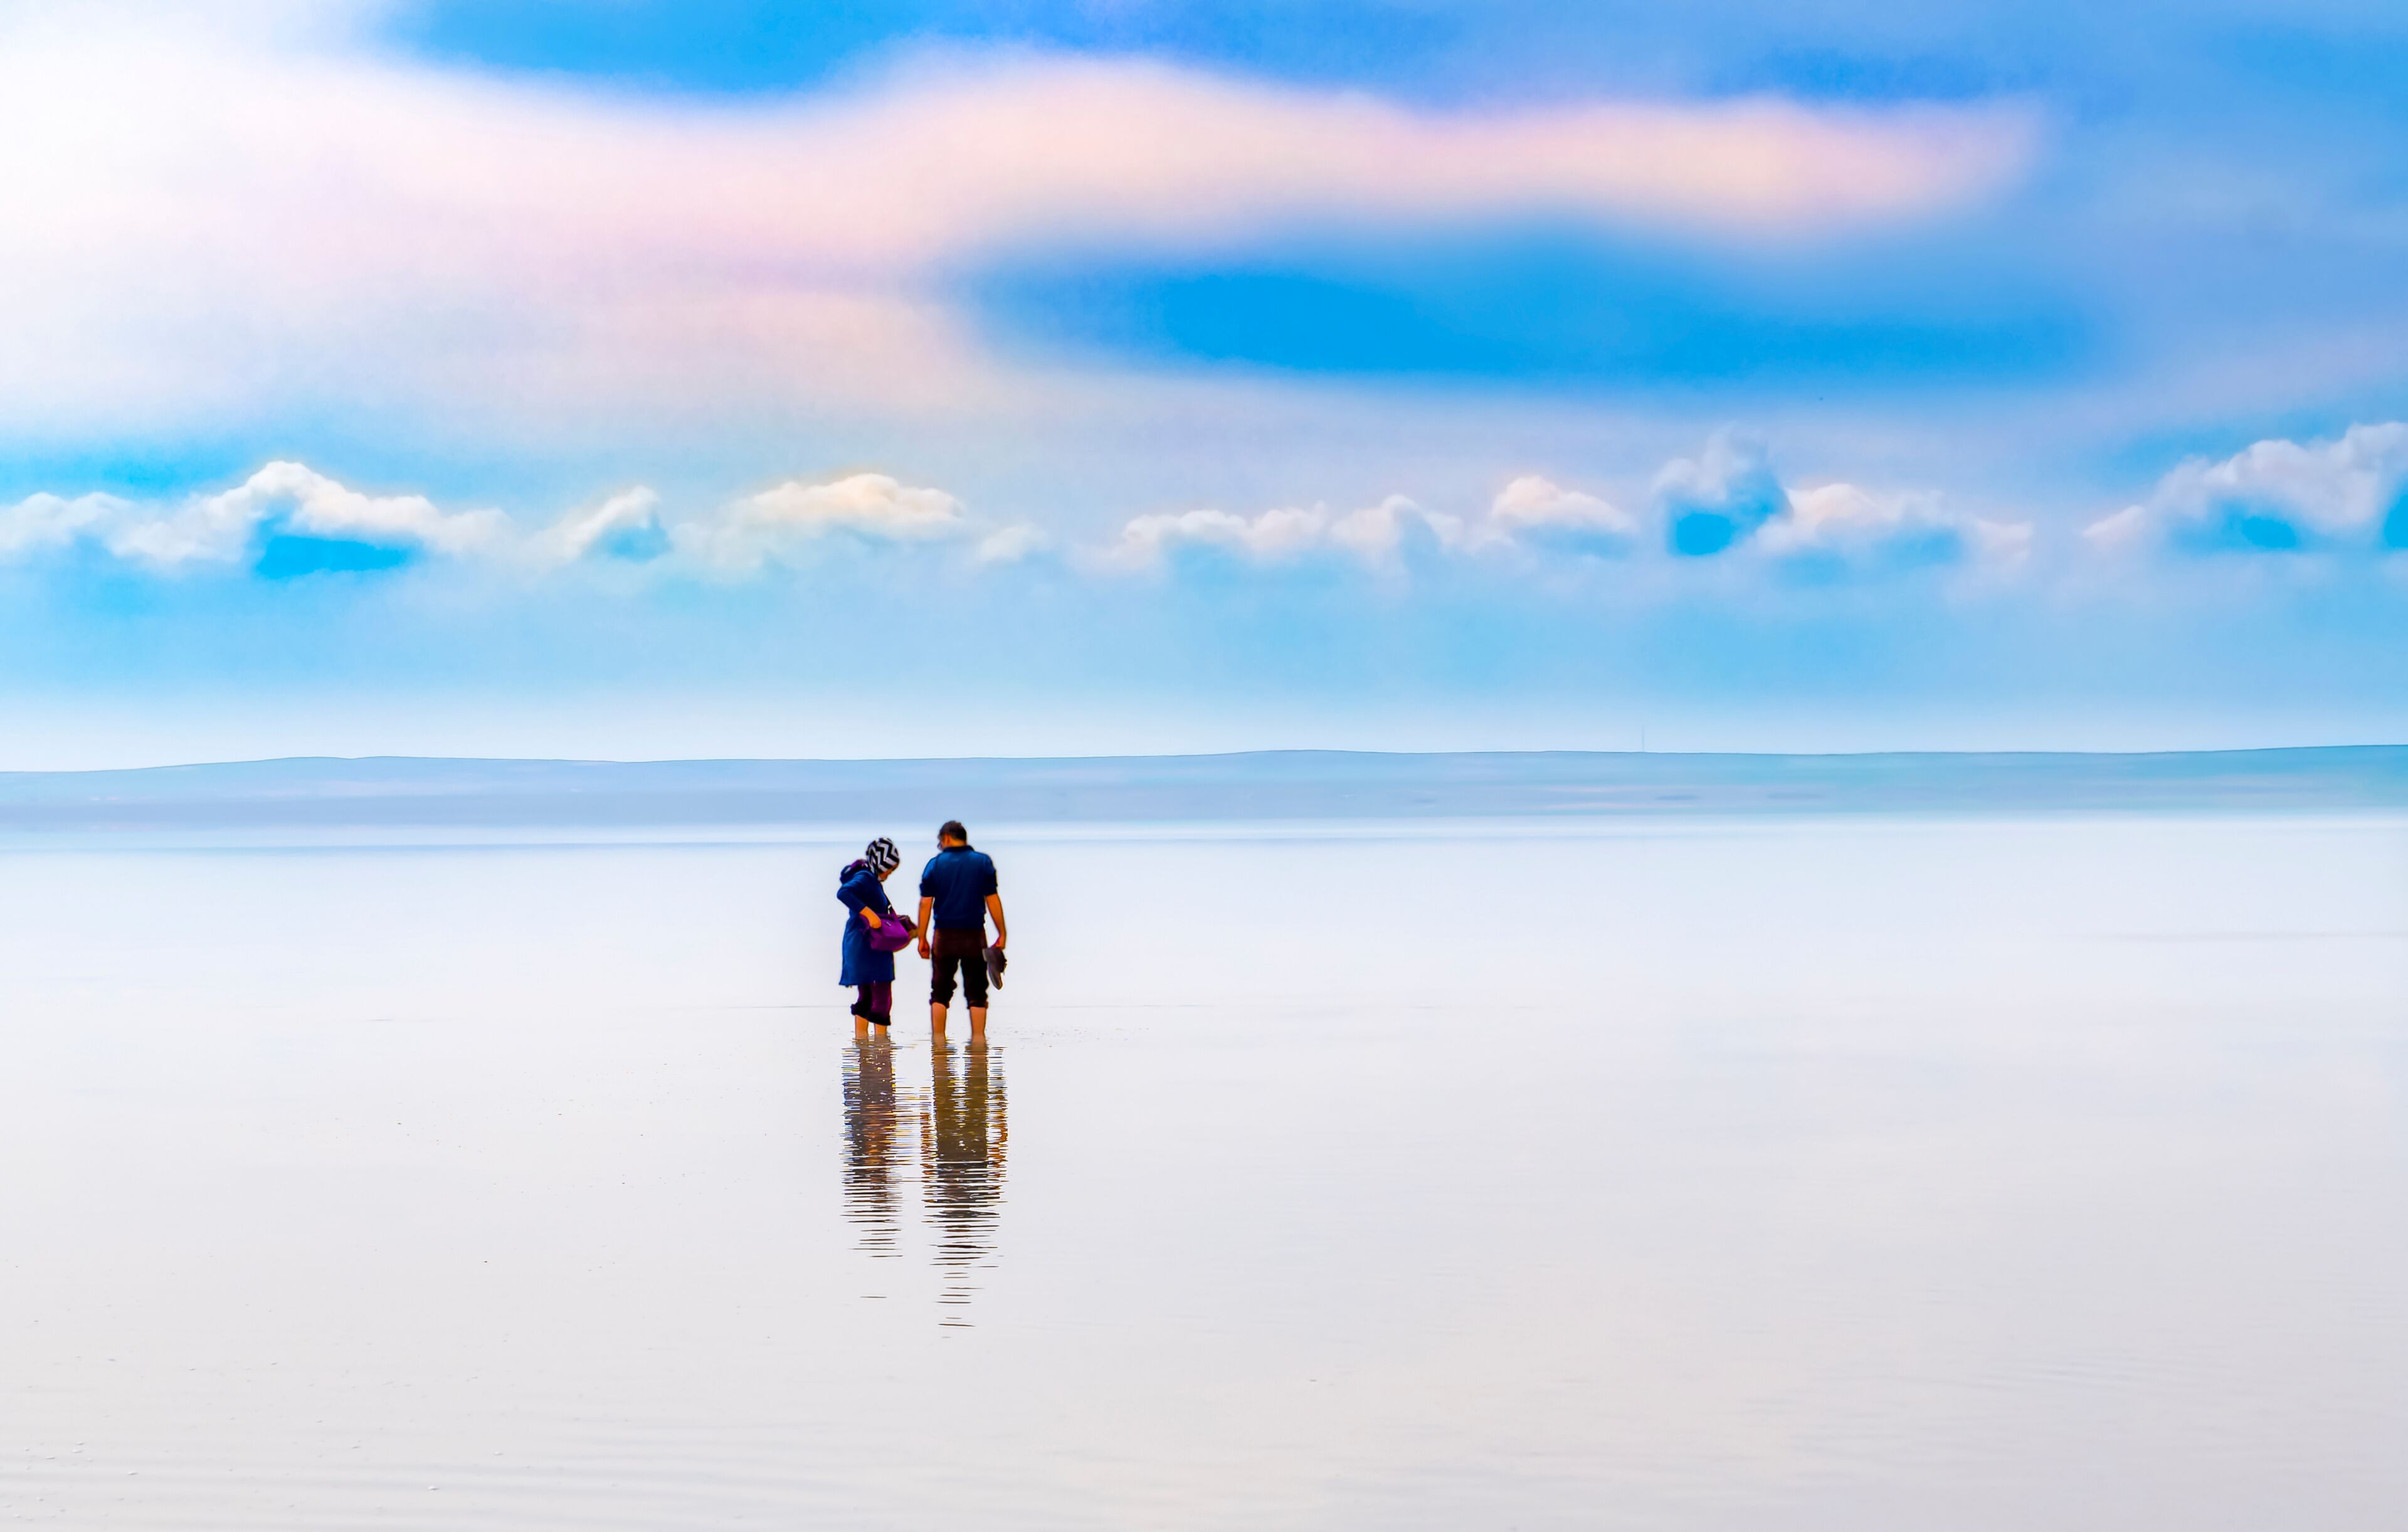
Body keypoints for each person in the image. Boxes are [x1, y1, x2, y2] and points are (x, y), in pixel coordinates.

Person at [916, 820, 1005, 1040]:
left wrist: (922, 938)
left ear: (946, 838)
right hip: (975, 936)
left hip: (944, 936)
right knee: (977, 993)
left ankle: (938, 1042)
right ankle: (978, 1041)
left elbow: (925, 903)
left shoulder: (935, 865)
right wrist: (1002, 933)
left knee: (940, 992)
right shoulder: (982, 862)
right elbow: (992, 900)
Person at [838, 837, 916, 1035]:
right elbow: (844, 893)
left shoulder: (870, 879)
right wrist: (869, 914)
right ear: (882, 864)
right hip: (868, 946)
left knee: (866, 995)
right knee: (881, 996)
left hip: (863, 944)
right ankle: (881, 1045)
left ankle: (863, 1046)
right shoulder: (865, 878)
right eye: (891, 868)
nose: (891, 873)